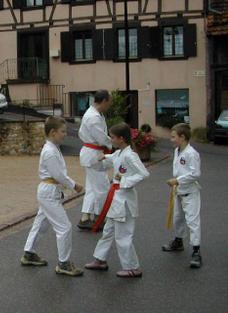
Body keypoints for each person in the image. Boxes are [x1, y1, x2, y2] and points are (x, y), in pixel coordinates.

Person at [21, 117, 84, 276]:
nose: (65, 134)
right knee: (64, 227)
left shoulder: (53, 148)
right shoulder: (50, 151)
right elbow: (58, 175)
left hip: (48, 191)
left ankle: (29, 253)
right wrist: (74, 185)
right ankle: (63, 263)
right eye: (63, 131)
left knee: (41, 223)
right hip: (49, 191)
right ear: (52, 132)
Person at [85, 123, 149, 278]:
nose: (110, 140)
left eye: (112, 137)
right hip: (116, 200)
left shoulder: (130, 155)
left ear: (121, 139)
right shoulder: (119, 153)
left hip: (124, 200)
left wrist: (124, 180)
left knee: (123, 235)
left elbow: (143, 173)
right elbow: (108, 161)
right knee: (108, 231)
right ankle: (100, 259)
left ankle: (132, 267)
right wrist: (100, 159)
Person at [162, 123, 202, 268]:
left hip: (190, 192)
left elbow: (196, 174)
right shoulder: (178, 151)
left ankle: (196, 251)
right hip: (177, 191)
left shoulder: (192, 154)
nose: (171, 140)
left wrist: (177, 180)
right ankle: (178, 241)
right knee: (178, 218)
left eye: (173, 137)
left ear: (182, 137)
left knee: (192, 221)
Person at [77, 90, 114, 230]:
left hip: (92, 153)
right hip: (93, 154)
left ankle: (86, 217)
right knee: (102, 187)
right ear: (104, 101)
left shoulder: (94, 113)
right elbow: (102, 138)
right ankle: (99, 217)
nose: (109, 106)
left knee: (92, 187)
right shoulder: (93, 117)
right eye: (109, 103)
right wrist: (116, 144)